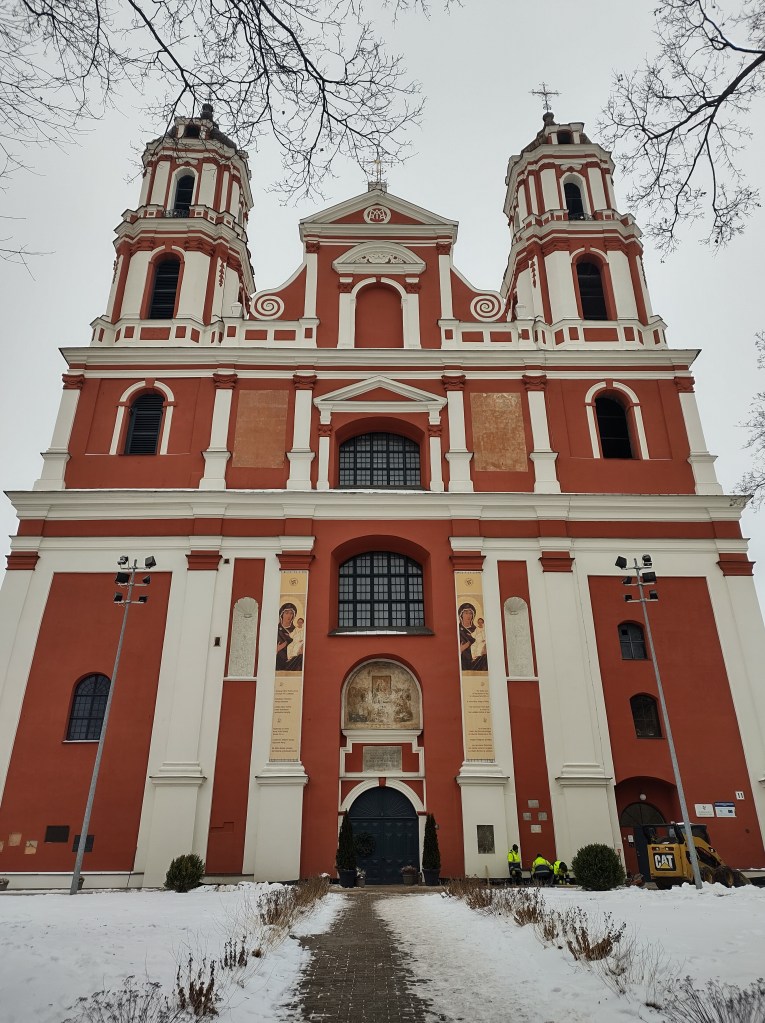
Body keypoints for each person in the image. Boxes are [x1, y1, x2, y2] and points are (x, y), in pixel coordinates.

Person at [458, 603, 488, 671]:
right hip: (464, 661)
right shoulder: (458, 630)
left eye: (470, 613)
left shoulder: (477, 629)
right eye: (466, 613)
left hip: (477, 659)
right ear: (461, 615)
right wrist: (460, 649)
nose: (468, 616)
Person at [276, 602, 303, 671]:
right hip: (278, 661)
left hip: (291, 660)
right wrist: (277, 649)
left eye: (291, 613)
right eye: (286, 613)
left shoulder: (296, 630)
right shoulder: (276, 629)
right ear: (282, 614)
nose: (289, 615)